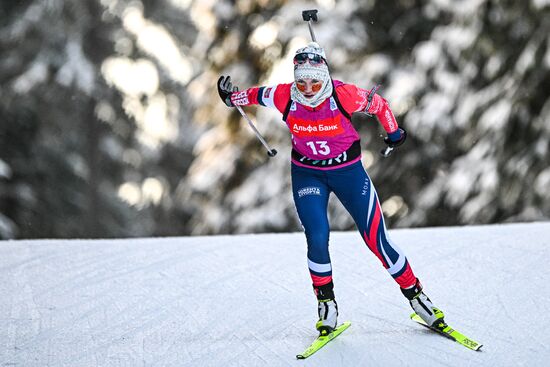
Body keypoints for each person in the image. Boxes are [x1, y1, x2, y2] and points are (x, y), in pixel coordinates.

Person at [217, 42, 444, 336]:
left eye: (314, 81)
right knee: (317, 236)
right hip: (308, 174)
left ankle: (417, 296)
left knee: (376, 240)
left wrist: (394, 134)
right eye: (302, 81)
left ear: (324, 76)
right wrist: (231, 97)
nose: (308, 88)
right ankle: (326, 305)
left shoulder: (343, 94)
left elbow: (380, 105)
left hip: (347, 173)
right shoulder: (285, 94)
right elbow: (256, 95)